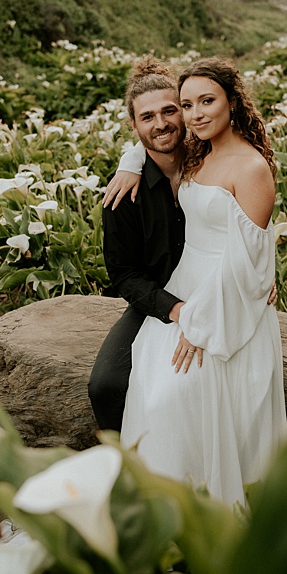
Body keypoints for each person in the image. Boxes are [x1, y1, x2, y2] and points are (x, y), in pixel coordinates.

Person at [117, 58, 287, 507]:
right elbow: (154, 143)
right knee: (153, 391)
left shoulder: (251, 168)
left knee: (183, 392)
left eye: (206, 101)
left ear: (232, 101)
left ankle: (210, 507)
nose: (194, 114)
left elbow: (247, 257)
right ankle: (165, 508)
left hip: (227, 301)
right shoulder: (199, 152)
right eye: (187, 104)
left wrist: (200, 319)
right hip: (183, 288)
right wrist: (131, 159)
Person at [87, 59, 188, 432]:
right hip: (156, 301)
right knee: (106, 386)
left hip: (216, 292)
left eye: (169, 111)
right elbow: (124, 274)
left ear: (184, 112)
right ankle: (127, 470)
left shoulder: (210, 165)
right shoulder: (123, 193)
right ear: (134, 126)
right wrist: (173, 309)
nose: (160, 124)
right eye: (147, 117)